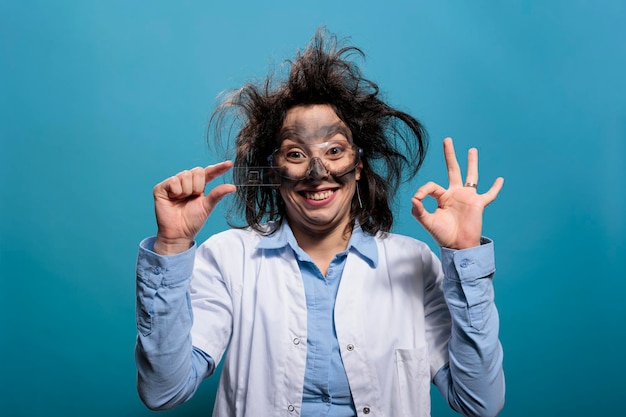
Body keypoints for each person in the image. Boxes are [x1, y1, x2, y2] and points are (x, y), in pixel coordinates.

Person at [135, 29, 505, 417]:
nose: (317, 172)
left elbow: (479, 402)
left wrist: (466, 257)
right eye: (295, 154)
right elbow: (163, 391)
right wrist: (172, 247)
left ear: (358, 165)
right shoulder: (228, 259)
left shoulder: (414, 264)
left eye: (334, 150)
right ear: (275, 172)